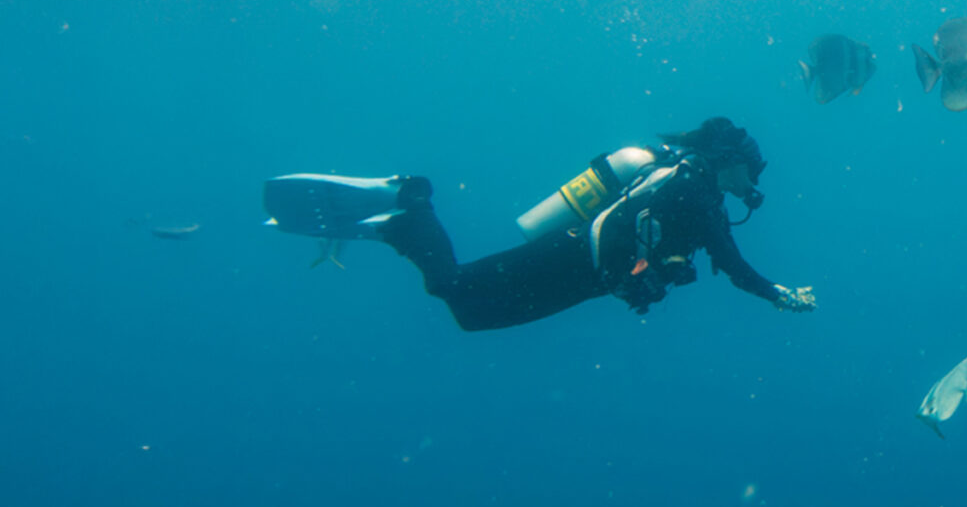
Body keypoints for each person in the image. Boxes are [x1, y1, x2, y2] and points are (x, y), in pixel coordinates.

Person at [263, 117, 816, 332]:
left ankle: (396, 225)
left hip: (589, 280)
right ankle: (410, 202)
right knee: (453, 288)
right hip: (572, 258)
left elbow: (719, 258)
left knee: (469, 315)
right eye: (753, 166)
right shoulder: (693, 188)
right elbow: (735, 266)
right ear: (729, 158)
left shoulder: (705, 204)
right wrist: (778, 295)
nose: (756, 179)